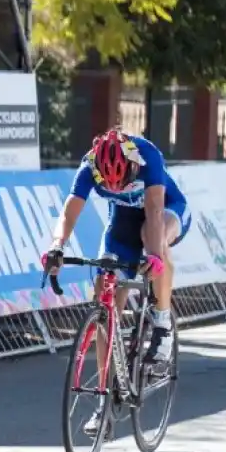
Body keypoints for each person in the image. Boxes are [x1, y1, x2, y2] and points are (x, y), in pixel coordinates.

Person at [42, 129, 190, 434]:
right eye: (107, 184)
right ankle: (104, 405)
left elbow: (153, 212)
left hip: (165, 212)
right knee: (105, 299)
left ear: (132, 167)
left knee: (153, 238)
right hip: (122, 223)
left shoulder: (147, 156)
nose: (113, 186)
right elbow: (69, 213)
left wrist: (153, 257)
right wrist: (57, 246)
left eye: (119, 182)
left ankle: (162, 324)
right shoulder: (89, 166)